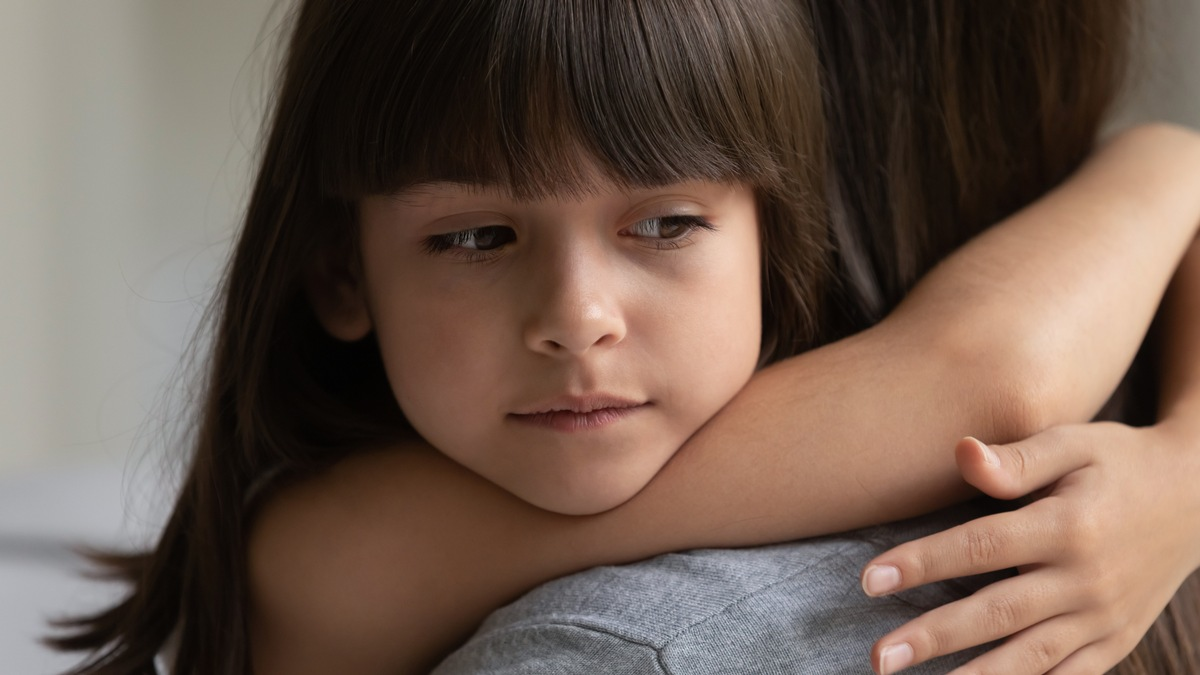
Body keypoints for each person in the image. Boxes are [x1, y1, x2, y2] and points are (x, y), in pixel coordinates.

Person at [48, 0, 1200, 673]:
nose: (575, 321)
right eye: (475, 237)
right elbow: (985, 381)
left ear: (779, 242)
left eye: (663, 224)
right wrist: (1167, 160)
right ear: (340, 276)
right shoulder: (326, 556)